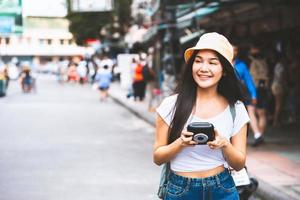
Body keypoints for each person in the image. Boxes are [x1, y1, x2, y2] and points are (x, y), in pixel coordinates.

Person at [154, 32, 250, 200]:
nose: (203, 68)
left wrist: (224, 145)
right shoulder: (171, 105)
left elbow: (239, 163)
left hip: (223, 188)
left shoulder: (237, 108)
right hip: (180, 190)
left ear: (224, 71)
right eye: (198, 61)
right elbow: (158, 157)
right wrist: (180, 143)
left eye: (212, 63)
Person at [233, 45, 261, 147]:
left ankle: (257, 135)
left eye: (236, 50)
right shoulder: (221, 63)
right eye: (232, 50)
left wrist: (254, 95)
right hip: (227, 94)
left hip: (242, 93)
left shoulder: (241, 65)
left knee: (250, 112)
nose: (234, 52)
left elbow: (249, 80)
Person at [249, 44, 269, 146]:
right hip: (264, 88)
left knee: (251, 112)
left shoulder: (253, 62)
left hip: (255, 88)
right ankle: (260, 135)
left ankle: (258, 136)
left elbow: (251, 78)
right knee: (262, 114)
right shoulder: (265, 61)